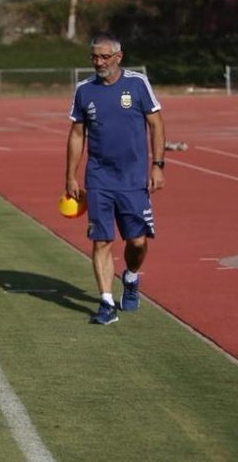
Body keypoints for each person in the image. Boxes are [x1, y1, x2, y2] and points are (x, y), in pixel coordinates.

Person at [65, 31, 165, 326]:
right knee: (102, 241)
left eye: (104, 57)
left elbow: (157, 125)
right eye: (94, 57)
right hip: (98, 179)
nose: (98, 62)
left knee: (136, 242)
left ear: (118, 57)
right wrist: (70, 176)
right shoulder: (84, 90)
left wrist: (158, 165)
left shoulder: (137, 84)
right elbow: (76, 135)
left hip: (134, 179)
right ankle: (106, 303)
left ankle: (131, 278)